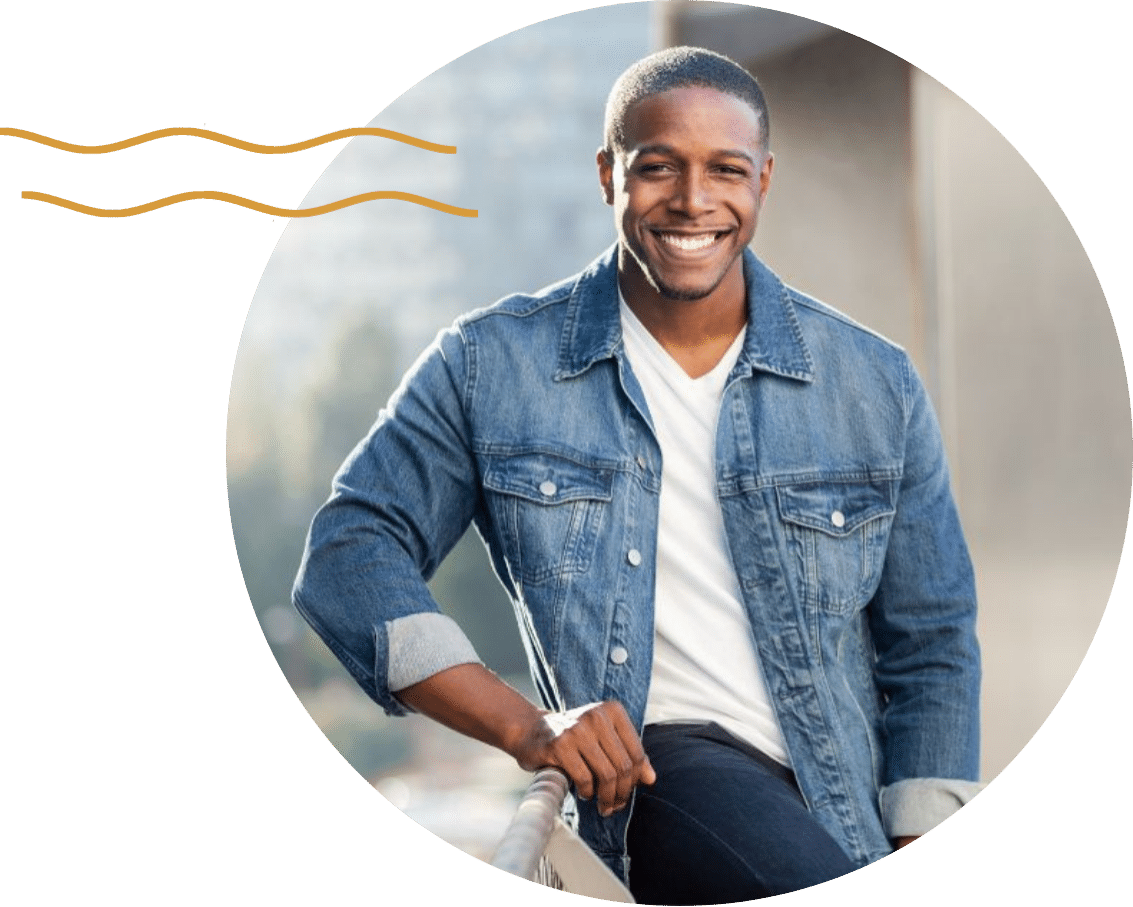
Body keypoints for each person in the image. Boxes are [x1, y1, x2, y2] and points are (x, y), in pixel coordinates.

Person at [292, 46, 981, 904]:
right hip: (661, 776)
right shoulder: (489, 365)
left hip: (842, 811)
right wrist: (527, 725)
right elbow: (347, 557)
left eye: (725, 169)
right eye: (657, 168)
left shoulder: (874, 383)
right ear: (606, 174)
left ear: (763, 179)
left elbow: (934, 642)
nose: (694, 201)